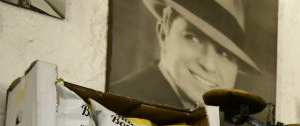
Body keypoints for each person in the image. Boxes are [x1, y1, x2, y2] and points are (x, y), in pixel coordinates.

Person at [110, 0, 260, 108]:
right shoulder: (116, 104)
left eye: (225, 54)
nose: (209, 65)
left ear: (237, 68)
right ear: (163, 34)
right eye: (193, 38)